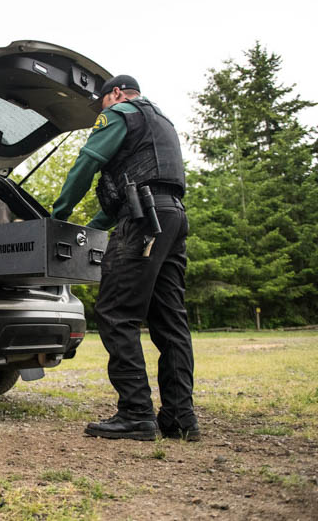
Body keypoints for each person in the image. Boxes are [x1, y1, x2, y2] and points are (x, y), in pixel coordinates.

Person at [51, 75, 199, 441]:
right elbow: (127, 194)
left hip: (143, 221)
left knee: (116, 312)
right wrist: (90, 227)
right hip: (172, 216)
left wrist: (59, 213)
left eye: (102, 102)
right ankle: (180, 418)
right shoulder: (160, 120)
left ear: (115, 93)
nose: (101, 110)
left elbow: (87, 162)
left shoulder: (119, 113)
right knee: (170, 320)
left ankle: (135, 413)